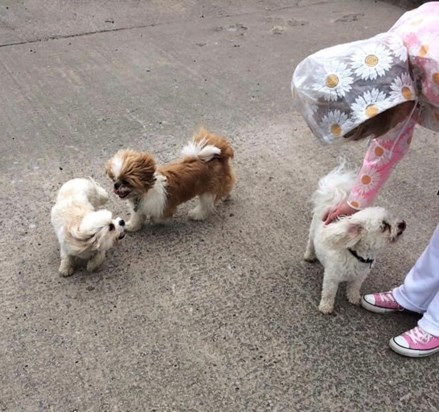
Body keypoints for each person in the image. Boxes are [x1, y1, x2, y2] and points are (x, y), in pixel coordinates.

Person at [291, 2, 439, 357]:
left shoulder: (433, 66)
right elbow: (389, 140)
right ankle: (415, 295)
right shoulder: (392, 62)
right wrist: (354, 202)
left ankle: (436, 322)